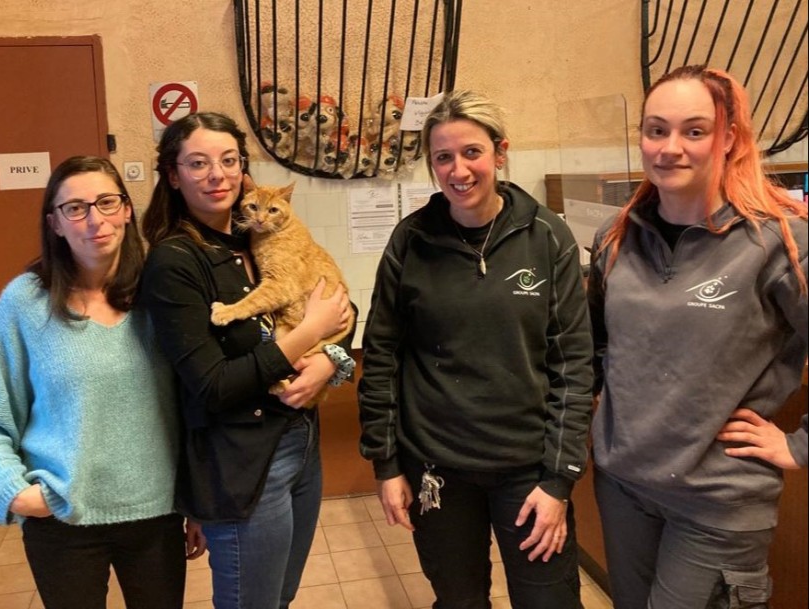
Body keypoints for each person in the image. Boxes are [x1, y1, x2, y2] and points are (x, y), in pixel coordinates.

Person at [358, 89, 594, 608]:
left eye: (472, 152)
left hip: (528, 471)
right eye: (443, 157)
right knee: (458, 601)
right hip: (437, 468)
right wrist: (387, 463)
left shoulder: (546, 236)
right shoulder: (411, 241)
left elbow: (574, 364)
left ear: (500, 152)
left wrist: (559, 480)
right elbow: (381, 358)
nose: (458, 170)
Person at [587, 64, 808, 609]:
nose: (670, 148)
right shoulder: (616, 238)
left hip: (716, 501)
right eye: (656, 130)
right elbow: (598, 350)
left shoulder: (779, 241)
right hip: (624, 488)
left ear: (728, 137)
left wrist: (799, 446)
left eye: (694, 130)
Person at [0, 156, 202, 609]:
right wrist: (15, 492)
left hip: (156, 516)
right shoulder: (25, 302)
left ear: (127, 210)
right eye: (75, 208)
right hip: (63, 520)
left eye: (107, 202)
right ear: (54, 223)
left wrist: (199, 502)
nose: (95, 219)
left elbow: (196, 404)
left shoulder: (163, 292)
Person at [139, 111, 354, 609]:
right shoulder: (175, 261)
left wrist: (330, 358)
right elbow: (213, 386)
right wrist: (309, 336)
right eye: (198, 163)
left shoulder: (255, 236)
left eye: (229, 160)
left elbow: (337, 302)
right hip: (242, 462)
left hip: (300, 441)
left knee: (279, 598)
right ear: (173, 175)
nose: (217, 174)